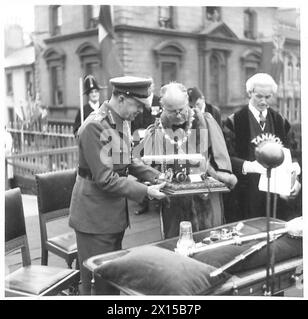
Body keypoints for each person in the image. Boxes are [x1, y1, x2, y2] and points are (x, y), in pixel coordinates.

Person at [69, 76, 166, 295]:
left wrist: (157, 176)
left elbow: (127, 160)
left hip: (112, 215)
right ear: (122, 98)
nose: (140, 112)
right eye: (138, 106)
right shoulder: (94, 126)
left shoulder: (121, 119)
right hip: (94, 219)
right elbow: (106, 179)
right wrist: (146, 191)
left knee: (112, 280)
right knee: (99, 284)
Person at [139, 82, 237, 239]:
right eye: (172, 111)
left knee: (209, 242)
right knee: (177, 244)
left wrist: (218, 175)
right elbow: (149, 165)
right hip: (173, 201)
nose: (178, 115)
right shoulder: (156, 130)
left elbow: (221, 158)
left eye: (181, 109)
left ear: (187, 103)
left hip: (206, 197)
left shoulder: (204, 121)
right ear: (163, 107)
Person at [223, 73, 301, 222]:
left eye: (268, 97)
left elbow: (293, 153)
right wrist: (249, 166)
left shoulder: (281, 121)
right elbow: (225, 158)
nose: (264, 101)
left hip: (277, 195)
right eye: (259, 96)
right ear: (249, 93)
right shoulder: (234, 122)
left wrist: (295, 179)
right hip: (247, 193)